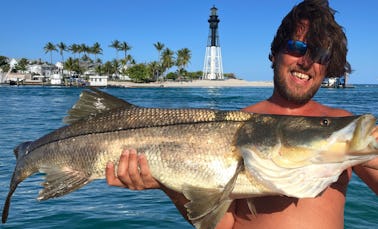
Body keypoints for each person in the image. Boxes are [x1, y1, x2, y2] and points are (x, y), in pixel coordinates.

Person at [105, 0, 378, 228]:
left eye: (320, 55)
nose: (306, 61)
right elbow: (224, 226)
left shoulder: (344, 128)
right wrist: (169, 183)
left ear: (328, 66)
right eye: (297, 48)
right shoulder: (233, 127)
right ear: (275, 53)